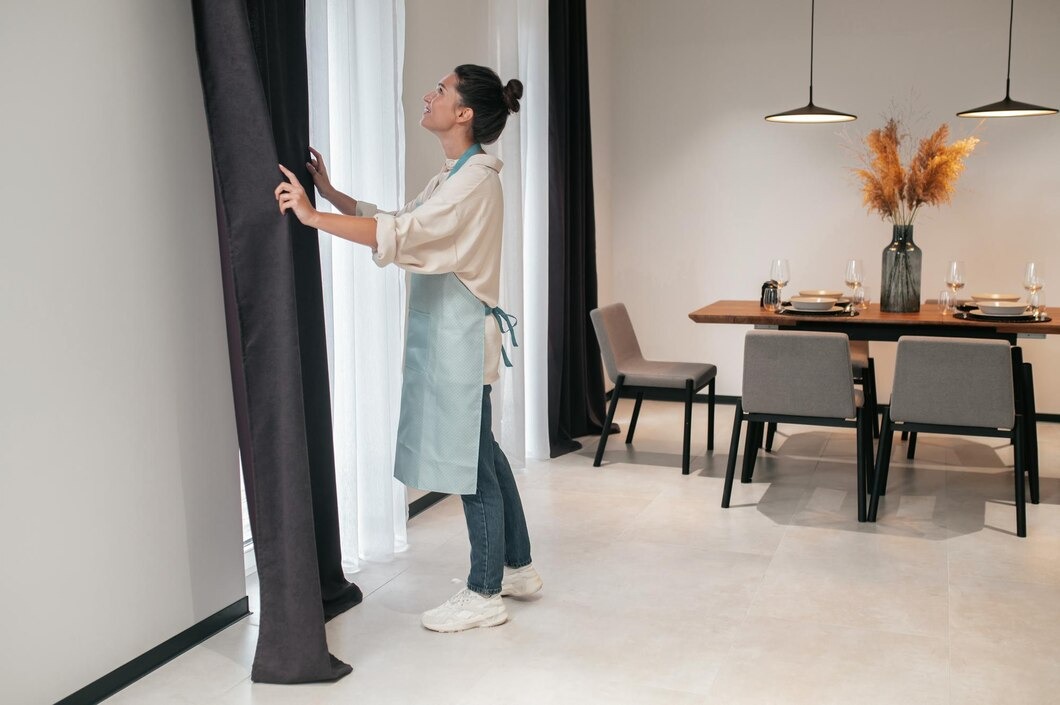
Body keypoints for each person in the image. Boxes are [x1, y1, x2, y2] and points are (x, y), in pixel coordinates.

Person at [274, 64, 542, 633]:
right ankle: (517, 567)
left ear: (463, 113)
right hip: (450, 333)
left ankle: (484, 591)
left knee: (471, 466)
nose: (429, 95)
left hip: (458, 337)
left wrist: (311, 217)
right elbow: (400, 220)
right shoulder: (457, 173)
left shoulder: (474, 181)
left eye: (440, 90)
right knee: (484, 454)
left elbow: (404, 235)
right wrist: (333, 194)